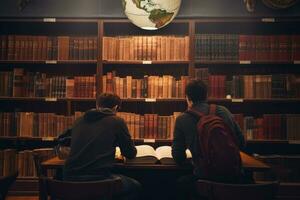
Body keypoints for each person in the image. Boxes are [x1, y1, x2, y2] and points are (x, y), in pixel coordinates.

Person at [171, 79, 246, 200]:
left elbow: (178, 157)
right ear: (206, 95)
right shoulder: (223, 111)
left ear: (188, 98)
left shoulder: (182, 119)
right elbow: (242, 143)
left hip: (205, 182)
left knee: (180, 184)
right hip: (234, 179)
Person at [60, 92, 141, 200]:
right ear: (116, 108)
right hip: (99, 180)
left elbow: (63, 139)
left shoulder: (79, 120)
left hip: (69, 180)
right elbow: (130, 153)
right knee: (135, 186)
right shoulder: (117, 121)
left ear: (97, 105)